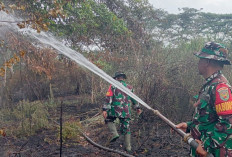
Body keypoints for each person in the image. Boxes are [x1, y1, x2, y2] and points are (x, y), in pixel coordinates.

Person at [176, 42, 232, 157]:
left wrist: (207, 146)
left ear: (207, 62)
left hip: (213, 152)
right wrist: (189, 125)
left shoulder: (221, 88)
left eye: (200, 59)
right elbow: (209, 118)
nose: (198, 63)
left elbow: (227, 124)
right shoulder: (209, 85)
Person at [102, 71, 141, 152]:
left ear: (116, 78)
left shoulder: (112, 86)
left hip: (114, 110)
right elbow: (134, 99)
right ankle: (128, 148)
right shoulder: (129, 87)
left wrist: (105, 109)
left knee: (108, 119)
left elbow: (108, 97)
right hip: (126, 111)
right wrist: (137, 108)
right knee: (126, 128)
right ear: (123, 78)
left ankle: (114, 134)